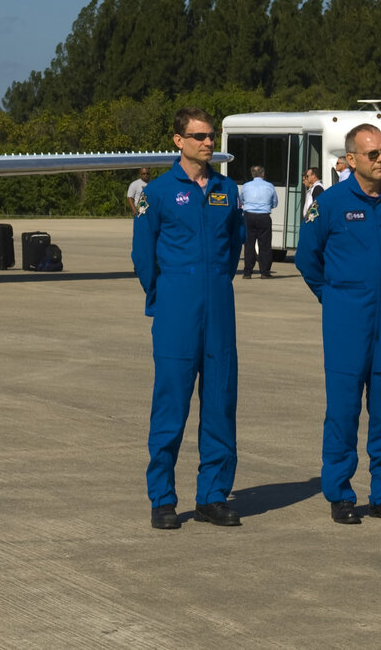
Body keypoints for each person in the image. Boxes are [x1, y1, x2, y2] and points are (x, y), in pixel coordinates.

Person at [296, 122, 381, 524]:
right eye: (373, 154)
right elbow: (307, 258)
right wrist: (334, 295)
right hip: (345, 318)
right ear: (351, 160)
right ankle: (341, 493)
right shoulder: (330, 202)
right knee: (344, 408)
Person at [131, 110, 245, 530]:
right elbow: (143, 255)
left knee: (220, 404)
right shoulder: (157, 192)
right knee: (171, 404)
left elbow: (234, 245)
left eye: (211, 135)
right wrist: (165, 296)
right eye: (198, 136)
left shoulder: (226, 190)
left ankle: (212, 495)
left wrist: (215, 283)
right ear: (178, 140)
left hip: (219, 306)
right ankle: (162, 498)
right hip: (177, 308)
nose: (208, 142)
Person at [238, 164, 277, 279]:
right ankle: (264, 272)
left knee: (249, 244)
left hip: (249, 216)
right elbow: (274, 203)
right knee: (265, 245)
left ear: (252, 174)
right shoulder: (269, 186)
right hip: (264, 216)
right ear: (263, 174)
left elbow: (241, 200)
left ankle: (247, 272)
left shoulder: (245, 186)